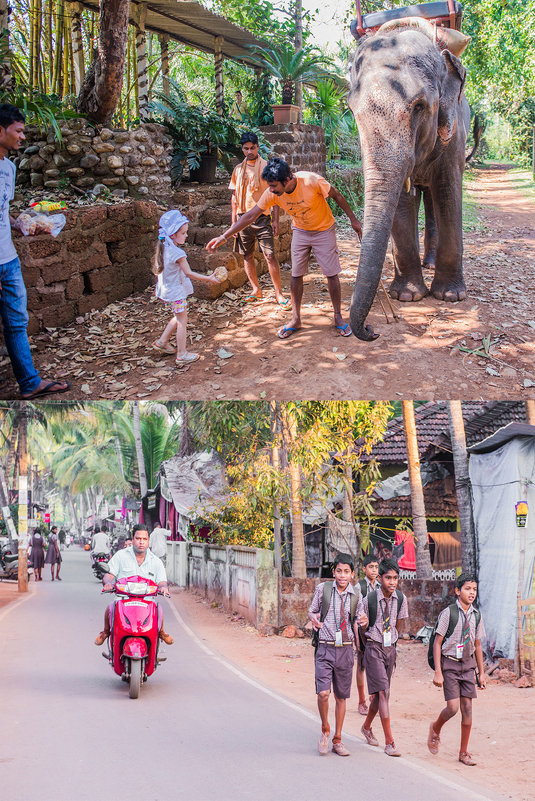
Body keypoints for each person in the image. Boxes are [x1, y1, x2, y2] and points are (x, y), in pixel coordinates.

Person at [207, 157, 362, 340]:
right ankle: (295, 319)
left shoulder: (311, 180)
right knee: (296, 275)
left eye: (274, 186)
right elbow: (250, 216)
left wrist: (354, 220)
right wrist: (224, 236)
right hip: (301, 231)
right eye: (270, 186)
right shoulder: (272, 193)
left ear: (287, 180)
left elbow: (337, 195)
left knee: (331, 273)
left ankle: (337, 316)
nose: (271, 190)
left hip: (323, 229)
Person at [0, 103, 70, 399]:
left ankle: (29, 383)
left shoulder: (8, 168)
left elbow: (5, 211)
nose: (22, 137)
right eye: (18, 131)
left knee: (17, 323)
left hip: (8, 259)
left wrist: (23, 223)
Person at [308, 552, 368, 756]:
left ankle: (338, 738)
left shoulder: (357, 595)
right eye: (339, 571)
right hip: (325, 647)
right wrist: (314, 619)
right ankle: (325, 729)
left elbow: (361, 617)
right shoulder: (323, 590)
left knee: (341, 696)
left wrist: (364, 621)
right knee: (323, 693)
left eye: (347, 572)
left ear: (352, 574)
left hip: (345, 650)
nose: (342, 575)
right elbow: (312, 610)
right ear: (333, 572)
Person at [427, 572, 487, 766]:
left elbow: (477, 645)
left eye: (474, 589)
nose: (471, 593)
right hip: (450, 664)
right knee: (453, 708)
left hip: (467, 665)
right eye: (467, 589)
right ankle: (435, 728)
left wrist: (482, 672)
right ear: (457, 591)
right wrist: (438, 671)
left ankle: (463, 752)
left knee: (468, 708)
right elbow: (437, 643)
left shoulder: (476, 616)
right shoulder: (449, 613)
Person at [152, 210, 219, 365]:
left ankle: (162, 342)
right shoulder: (177, 253)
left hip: (167, 290)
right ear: (173, 234)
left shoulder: (163, 248)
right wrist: (209, 278)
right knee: (182, 319)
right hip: (176, 292)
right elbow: (189, 274)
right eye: (183, 233)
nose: (186, 235)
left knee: (178, 316)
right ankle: (182, 354)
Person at [228, 132, 287, 306]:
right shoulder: (238, 170)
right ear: (242, 149)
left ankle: (278, 293)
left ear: (258, 147)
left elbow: (274, 194)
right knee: (247, 255)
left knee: (269, 255)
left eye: (252, 148)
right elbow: (234, 197)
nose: (249, 151)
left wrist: (275, 220)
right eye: (246, 148)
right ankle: (256, 289)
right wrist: (233, 223)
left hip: (262, 217)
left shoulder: (267, 167)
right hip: (242, 217)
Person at [94, 524, 173, 646]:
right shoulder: (121, 556)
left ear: (148, 541)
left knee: (159, 609)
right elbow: (108, 575)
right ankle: (105, 632)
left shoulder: (156, 561)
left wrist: (163, 587)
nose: (141, 542)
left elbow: (162, 581)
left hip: (147, 603)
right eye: (138, 538)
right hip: (123, 600)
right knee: (110, 607)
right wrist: (108, 583)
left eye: (144, 539)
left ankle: (161, 632)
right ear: (133, 539)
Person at [360, 557, 408, 757]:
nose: (392, 582)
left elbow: (399, 623)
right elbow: (362, 629)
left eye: (395, 578)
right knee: (383, 693)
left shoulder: (401, 599)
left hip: (390, 649)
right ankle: (390, 742)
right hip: (373, 647)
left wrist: (392, 642)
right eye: (388, 577)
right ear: (380, 578)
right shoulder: (369, 600)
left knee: (381, 695)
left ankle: (366, 727)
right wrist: (367, 639)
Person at [356, 555, 380, 714]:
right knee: (361, 665)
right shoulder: (359, 587)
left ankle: (373, 695)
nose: (374, 570)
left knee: (375, 664)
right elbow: (356, 610)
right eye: (371, 567)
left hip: (377, 630)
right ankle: (361, 700)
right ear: (364, 569)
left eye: (376, 567)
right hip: (363, 630)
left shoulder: (380, 586)